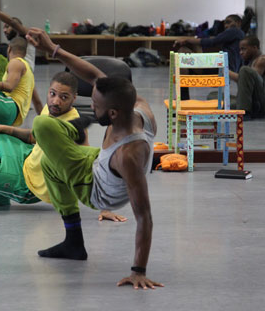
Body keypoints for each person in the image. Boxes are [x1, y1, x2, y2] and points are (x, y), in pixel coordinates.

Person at [25, 28, 164, 290]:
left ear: (112, 113)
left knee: (43, 126)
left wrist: (138, 271)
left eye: (96, 107)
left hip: (98, 190)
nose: (92, 106)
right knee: (49, 163)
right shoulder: (138, 105)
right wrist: (53, 49)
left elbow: (144, 216)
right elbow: (93, 75)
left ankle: (74, 241)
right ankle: (74, 243)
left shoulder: (128, 155)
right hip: (101, 161)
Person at [0, 71, 127, 222]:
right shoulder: (50, 109)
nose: (56, 101)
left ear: (74, 98)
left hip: (28, 185)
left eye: (64, 97)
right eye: (53, 94)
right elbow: (33, 137)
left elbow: (89, 165)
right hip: (26, 157)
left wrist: (105, 208)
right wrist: (3, 128)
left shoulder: (74, 126)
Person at [174, 14, 245, 100]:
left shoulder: (234, 31)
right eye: (225, 24)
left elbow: (212, 42)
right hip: (223, 70)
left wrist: (187, 39)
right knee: (185, 60)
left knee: (183, 53)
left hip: (221, 70)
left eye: (229, 22)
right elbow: (212, 39)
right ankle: (183, 97)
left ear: (238, 23)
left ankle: (183, 98)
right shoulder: (239, 35)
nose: (226, 26)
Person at [208, 36, 265, 120]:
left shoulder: (263, 60)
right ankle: (251, 108)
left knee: (244, 70)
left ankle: (244, 112)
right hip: (254, 101)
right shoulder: (250, 62)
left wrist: (226, 71)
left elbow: (246, 79)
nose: (241, 52)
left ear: (254, 48)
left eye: (244, 49)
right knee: (212, 97)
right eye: (240, 50)